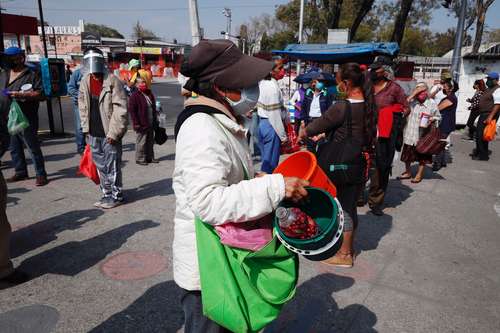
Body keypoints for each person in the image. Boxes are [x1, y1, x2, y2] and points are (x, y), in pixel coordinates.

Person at [173, 39, 309, 332]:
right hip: (208, 273)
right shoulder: (201, 128)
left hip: (223, 257)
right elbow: (208, 201)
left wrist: (255, 179)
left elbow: (222, 179)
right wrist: (274, 188)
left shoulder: (222, 120)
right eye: (245, 83)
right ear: (221, 87)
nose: (253, 91)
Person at [299, 62, 376, 268]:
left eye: (339, 81)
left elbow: (313, 127)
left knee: (344, 209)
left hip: (341, 166)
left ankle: (344, 255)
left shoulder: (342, 107)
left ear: (347, 83)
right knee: (350, 205)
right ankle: (347, 248)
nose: (337, 85)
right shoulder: (369, 105)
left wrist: (304, 131)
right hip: (359, 163)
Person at [78, 47, 128, 209]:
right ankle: (106, 194)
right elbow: (82, 106)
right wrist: (86, 129)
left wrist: (114, 133)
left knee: (112, 165)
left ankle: (116, 195)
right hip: (93, 133)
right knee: (100, 166)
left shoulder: (112, 81)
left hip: (109, 133)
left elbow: (120, 109)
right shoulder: (85, 80)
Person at [1, 47, 48, 186]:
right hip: (8, 115)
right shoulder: (4, 73)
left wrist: (21, 95)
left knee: (32, 145)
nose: (9, 60)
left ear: (20, 58)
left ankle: (41, 174)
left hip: (26, 116)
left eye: (12, 57)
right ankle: (20, 171)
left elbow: (40, 94)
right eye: (7, 58)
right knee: (14, 146)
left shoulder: (32, 73)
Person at [367, 57, 408, 216]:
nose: (372, 72)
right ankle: (358, 197)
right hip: (366, 131)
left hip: (385, 136)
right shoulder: (367, 86)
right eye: (372, 69)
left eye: (375, 69)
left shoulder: (394, 89)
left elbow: (406, 108)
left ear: (384, 70)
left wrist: (393, 116)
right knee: (362, 163)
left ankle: (376, 200)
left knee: (381, 167)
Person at [399, 83, 440, 183]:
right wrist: (414, 93)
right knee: (407, 155)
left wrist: (432, 119)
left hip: (422, 134)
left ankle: (419, 174)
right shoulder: (412, 101)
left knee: (423, 156)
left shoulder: (431, 102)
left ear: (427, 92)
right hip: (410, 133)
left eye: (424, 91)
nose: (422, 94)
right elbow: (402, 104)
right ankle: (408, 172)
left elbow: (438, 116)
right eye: (419, 91)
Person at [256, 59, 288, 173]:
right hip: (271, 126)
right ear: (271, 71)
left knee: (266, 160)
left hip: (262, 124)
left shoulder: (263, 83)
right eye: (280, 68)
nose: (283, 71)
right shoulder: (272, 88)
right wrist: (283, 136)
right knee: (270, 165)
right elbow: (274, 115)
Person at [128, 75, 158, 165]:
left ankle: (150, 157)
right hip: (141, 123)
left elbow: (153, 107)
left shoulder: (149, 93)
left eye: (144, 82)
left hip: (150, 121)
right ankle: (140, 158)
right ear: (136, 85)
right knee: (141, 142)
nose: (143, 84)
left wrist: (155, 118)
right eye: (141, 82)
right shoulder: (134, 96)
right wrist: (136, 123)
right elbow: (132, 111)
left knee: (150, 141)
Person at [473, 72, 500, 161]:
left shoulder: (497, 90)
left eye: (490, 79)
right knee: (482, 135)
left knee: (480, 135)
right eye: (487, 79)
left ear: (496, 80)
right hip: (484, 114)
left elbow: (497, 104)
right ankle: (480, 153)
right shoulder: (489, 89)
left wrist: (490, 117)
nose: (488, 80)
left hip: (488, 114)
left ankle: (483, 155)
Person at [433, 80, 457, 170]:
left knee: (439, 143)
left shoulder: (451, 98)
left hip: (446, 124)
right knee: (442, 143)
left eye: (446, 87)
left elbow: (439, 108)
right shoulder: (450, 97)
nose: (444, 88)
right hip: (445, 123)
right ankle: (442, 162)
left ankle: (437, 163)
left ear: (451, 88)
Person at [67, 66, 86, 154]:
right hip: (80, 104)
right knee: (80, 127)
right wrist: (82, 95)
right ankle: (81, 147)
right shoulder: (77, 73)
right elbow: (70, 88)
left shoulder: (96, 71)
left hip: (94, 103)